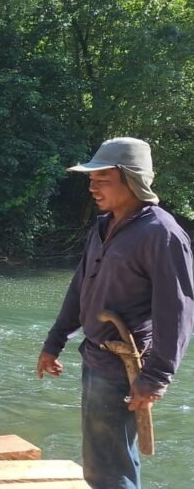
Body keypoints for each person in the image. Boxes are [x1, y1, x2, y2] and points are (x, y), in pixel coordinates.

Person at [36, 138, 193, 488]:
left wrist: (154, 379)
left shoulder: (162, 234)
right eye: (91, 178)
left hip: (126, 371)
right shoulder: (104, 224)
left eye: (102, 178)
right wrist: (54, 341)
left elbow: (177, 313)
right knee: (98, 461)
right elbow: (80, 289)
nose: (92, 186)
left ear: (132, 180)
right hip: (95, 359)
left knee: (112, 469)